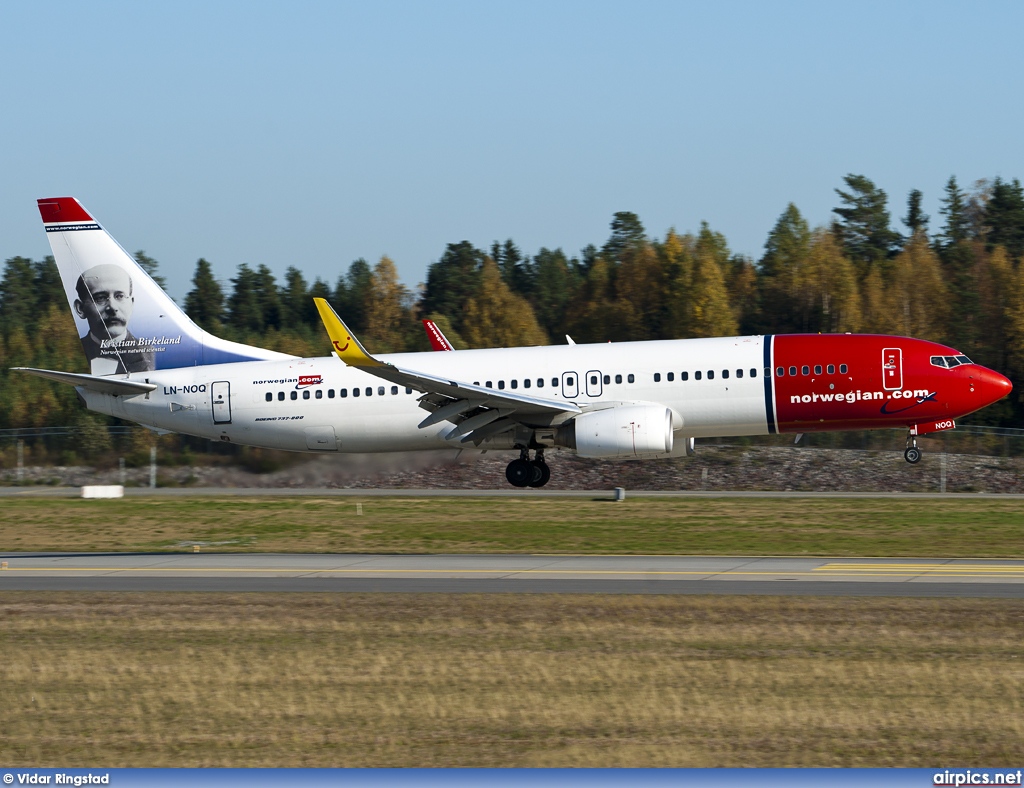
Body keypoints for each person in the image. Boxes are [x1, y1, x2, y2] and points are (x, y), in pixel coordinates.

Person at [74, 264, 155, 374]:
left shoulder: (151, 353)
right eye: (100, 298)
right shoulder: (73, 354)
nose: (112, 307)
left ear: (131, 304)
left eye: (119, 296)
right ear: (80, 309)